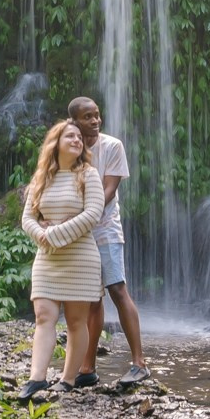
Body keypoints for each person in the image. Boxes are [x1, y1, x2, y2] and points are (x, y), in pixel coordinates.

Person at [17, 119, 105, 398]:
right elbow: (28, 218)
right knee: (44, 315)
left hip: (80, 257)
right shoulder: (42, 178)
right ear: (56, 142)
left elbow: (93, 214)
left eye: (80, 137)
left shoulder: (89, 175)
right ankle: (36, 379)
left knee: (76, 321)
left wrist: (53, 233)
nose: (78, 140)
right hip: (47, 257)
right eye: (71, 136)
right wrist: (42, 236)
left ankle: (67, 379)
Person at [69, 96, 151, 384]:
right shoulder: (70, 149)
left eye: (97, 115)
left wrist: (78, 216)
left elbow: (108, 191)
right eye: (88, 117)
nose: (95, 121)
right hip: (78, 232)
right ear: (74, 122)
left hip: (104, 229)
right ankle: (87, 369)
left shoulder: (113, 146)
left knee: (117, 289)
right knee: (92, 299)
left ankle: (139, 363)